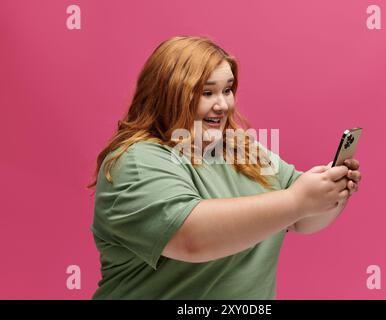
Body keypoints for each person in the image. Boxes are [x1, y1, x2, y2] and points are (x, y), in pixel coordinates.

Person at [87, 35, 362, 299]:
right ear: (170, 95)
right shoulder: (137, 160)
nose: (223, 105)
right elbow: (191, 237)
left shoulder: (241, 150)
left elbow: (303, 219)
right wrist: (297, 199)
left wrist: (332, 191)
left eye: (228, 90)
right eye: (207, 92)